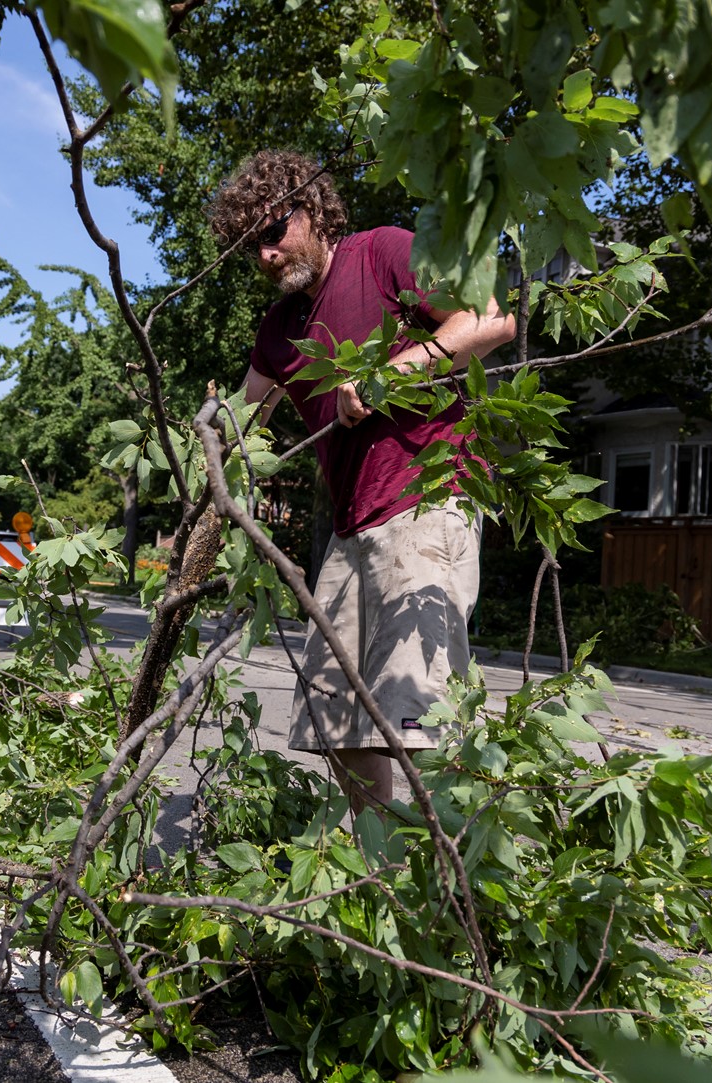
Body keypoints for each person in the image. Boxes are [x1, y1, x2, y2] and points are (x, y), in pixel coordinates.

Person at [207, 150, 515, 813]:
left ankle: (456, 881)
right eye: (248, 247)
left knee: (421, 721)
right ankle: (382, 876)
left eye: (271, 232)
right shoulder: (280, 330)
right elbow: (242, 419)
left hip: (426, 502)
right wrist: (196, 440)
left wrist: (389, 375)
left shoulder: (384, 253)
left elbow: (490, 319)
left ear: (312, 210)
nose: (263, 256)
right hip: (351, 532)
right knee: (336, 720)